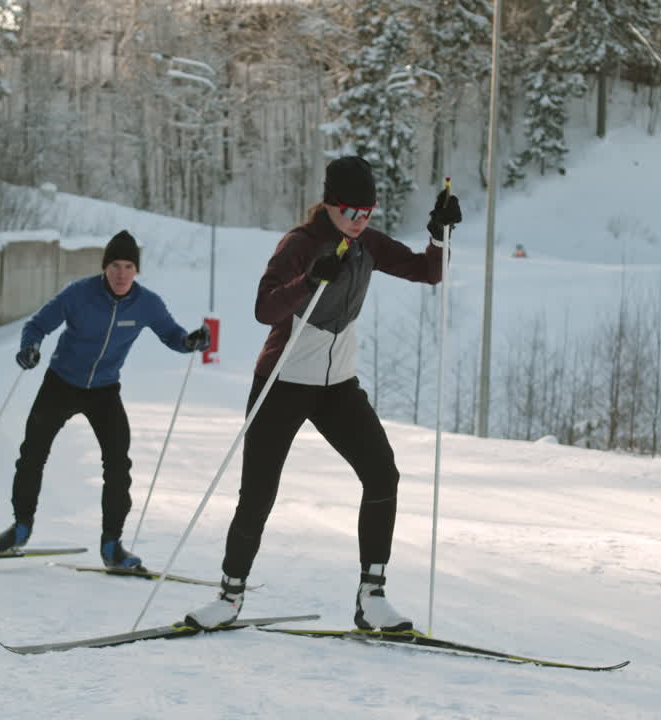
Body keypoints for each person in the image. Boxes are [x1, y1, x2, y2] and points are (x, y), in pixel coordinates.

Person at [185, 156, 461, 631]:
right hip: (283, 383)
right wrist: (310, 279)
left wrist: (440, 237)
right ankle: (229, 597)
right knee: (258, 494)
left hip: (337, 387)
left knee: (382, 475)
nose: (359, 221)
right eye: (350, 211)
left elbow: (427, 272)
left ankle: (372, 598)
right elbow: (264, 309)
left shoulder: (368, 243)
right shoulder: (300, 243)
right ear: (329, 205)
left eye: (367, 212)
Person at [0, 230, 211, 570]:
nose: (121, 274)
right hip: (61, 383)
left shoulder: (147, 303)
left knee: (118, 465)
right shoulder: (78, 294)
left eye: (129, 266)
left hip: (104, 390)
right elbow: (37, 325)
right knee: (32, 454)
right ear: (105, 267)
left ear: (137, 270)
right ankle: (20, 527)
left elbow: (172, 335)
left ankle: (111, 545)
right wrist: (29, 348)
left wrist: (190, 342)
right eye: (115, 266)